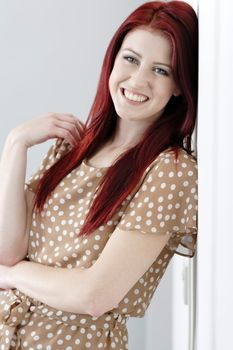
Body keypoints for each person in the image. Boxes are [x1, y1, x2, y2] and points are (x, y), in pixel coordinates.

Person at [0, 0, 198, 349]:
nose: (138, 80)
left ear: (179, 85)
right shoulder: (74, 147)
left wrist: (11, 277)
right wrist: (15, 145)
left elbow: (96, 295)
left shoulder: (169, 171)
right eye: (131, 59)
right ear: (113, 59)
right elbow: (7, 249)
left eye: (161, 70)